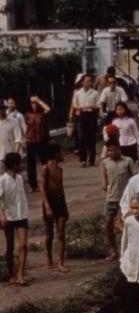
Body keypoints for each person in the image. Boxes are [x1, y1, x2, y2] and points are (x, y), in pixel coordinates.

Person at [100, 139, 138, 262]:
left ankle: (127, 252)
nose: (110, 152)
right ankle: (114, 251)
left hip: (126, 199)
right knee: (107, 224)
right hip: (111, 198)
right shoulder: (105, 163)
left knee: (126, 225)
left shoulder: (128, 161)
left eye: (112, 150)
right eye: (108, 150)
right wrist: (106, 187)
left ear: (118, 148)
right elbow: (104, 182)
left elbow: (136, 178)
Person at [0, 152, 29, 285]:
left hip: (21, 215)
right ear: (14, 165)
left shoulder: (19, 178)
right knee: (10, 247)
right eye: (19, 163)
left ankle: (20, 274)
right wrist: (1, 215)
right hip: (9, 217)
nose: (21, 165)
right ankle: (11, 273)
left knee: (23, 245)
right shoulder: (3, 180)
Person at [40, 143, 69, 273]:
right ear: (57, 154)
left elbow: (61, 188)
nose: (63, 155)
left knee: (61, 233)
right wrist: (47, 206)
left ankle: (61, 262)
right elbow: (42, 188)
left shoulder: (60, 169)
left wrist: (65, 207)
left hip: (60, 202)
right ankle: (48, 255)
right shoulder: (45, 168)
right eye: (61, 152)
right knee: (49, 235)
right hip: (49, 202)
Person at [23, 95, 51, 192]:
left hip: (42, 140)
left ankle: (47, 182)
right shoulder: (27, 115)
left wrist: (39, 100)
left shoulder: (42, 114)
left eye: (35, 103)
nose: (34, 105)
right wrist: (25, 140)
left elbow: (48, 109)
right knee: (31, 164)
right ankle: (33, 185)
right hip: (31, 141)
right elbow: (24, 128)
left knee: (44, 162)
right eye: (32, 103)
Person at [72, 73, 100, 167]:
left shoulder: (95, 93)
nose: (89, 82)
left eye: (90, 81)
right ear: (82, 82)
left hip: (91, 115)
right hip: (81, 115)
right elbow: (75, 105)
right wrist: (84, 107)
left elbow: (97, 105)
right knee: (82, 138)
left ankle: (91, 159)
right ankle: (83, 160)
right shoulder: (78, 93)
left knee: (91, 138)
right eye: (87, 81)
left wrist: (91, 107)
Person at [0, 99, 22, 173]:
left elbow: (18, 140)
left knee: (14, 180)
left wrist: (14, 156)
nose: (1, 111)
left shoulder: (14, 122)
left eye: (3, 109)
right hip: (0, 159)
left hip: (11, 158)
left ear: (6, 109)